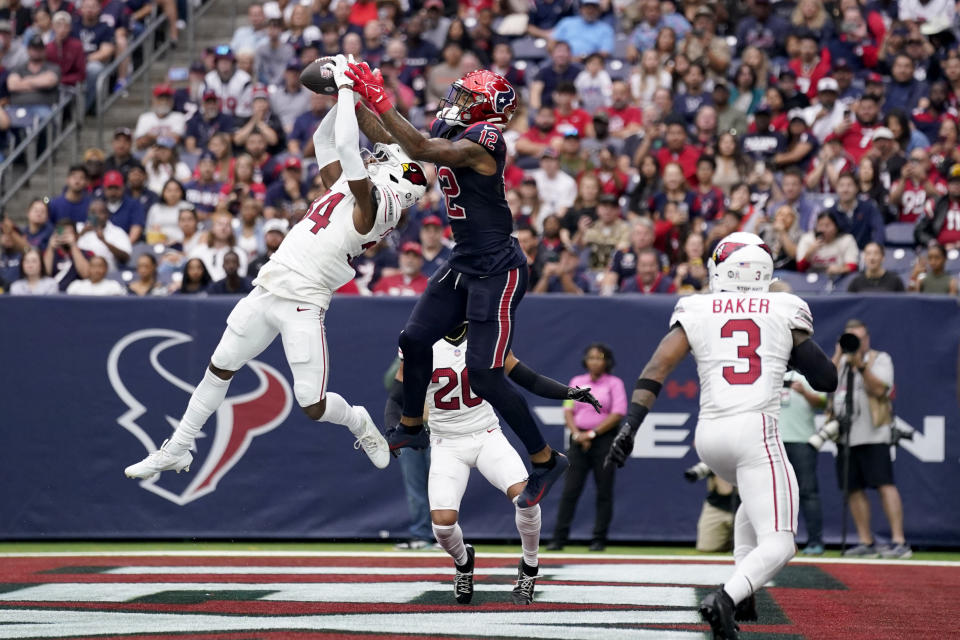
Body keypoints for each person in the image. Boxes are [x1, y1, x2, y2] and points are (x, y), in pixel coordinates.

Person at [124, 58, 429, 481]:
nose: (376, 159)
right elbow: (327, 139)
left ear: (397, 185)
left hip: (304, 300)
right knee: (220, 365)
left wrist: (343, 89)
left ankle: (358, 420)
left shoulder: (374, 208)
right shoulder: (355, 185)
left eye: (385, 163)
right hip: (271, 284)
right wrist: (346, 93)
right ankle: (178, 446)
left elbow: (345, 148)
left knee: (312, 404)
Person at [346, 58, 578, 506]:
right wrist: (353, 103)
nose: (457, 102)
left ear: (488, 107)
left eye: (468, 97)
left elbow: (422, 147)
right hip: (466, 259)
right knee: (413, 340)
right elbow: (401, 145)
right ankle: (412, 426)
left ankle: (547, 458)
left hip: (498, 268)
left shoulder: (486, 140)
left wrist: (378, 96)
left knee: (485, 377)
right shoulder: (458, 129)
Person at [604, 232, 838, 639]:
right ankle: (726, 598)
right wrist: (786, 354)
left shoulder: (697, 307)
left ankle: (744, 594)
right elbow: (827, 379)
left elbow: (657, 367)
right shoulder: (783, 307)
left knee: (752, 497)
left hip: (710, 437)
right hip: (754, 431)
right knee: (782, 542)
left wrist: (631, 426)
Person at [385, 322, 601, 602]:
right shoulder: (418, 340)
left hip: (486, 434)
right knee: (442, 525)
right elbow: (397, 397)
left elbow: (528, 378)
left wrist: (567, 392)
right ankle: (464, 562)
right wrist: (393, 431)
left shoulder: (485, 336)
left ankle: (530, 567)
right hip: (445, 442)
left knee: (526, 497)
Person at [832, 319, 910, 559]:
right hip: (845, 436)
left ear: (867, 339)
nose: (855, 343)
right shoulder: (840, 363)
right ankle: (866, 540)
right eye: (849, 338)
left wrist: (861, 366)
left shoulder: (880, 359)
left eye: (858, 338)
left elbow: (880, 390)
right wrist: (838, 356)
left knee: (884, 484)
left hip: (874, 433)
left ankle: (899, 541)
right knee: (853, 488)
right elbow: (823, 386)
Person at [548, 343, 625, 552]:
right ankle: (558, 538)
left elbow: (617, 413)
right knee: (570, 490)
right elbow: (568, 410)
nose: (595, 361)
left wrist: (593, 433)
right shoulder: (576, 382)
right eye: (591, 357)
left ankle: (599, 539)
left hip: (604, 440)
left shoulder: (614, 383)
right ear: (585, 361)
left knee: (604, 491)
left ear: (607, 362)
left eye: (599, 358)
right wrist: (576, 434)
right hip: (578, 438)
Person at [779, 369, 827, 555]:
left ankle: (815, 541)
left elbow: (823, 402)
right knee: (774, 494)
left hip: (802, 441)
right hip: (772, 440)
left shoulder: (808, 373)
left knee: (808, 493)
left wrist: (804, 391)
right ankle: (773, 542)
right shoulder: (769, 370)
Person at [914, 165, 960, 248]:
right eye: (953, 181)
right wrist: (935, 245)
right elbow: (919, 231)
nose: (957, 185)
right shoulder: (935, 204)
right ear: (947, 184)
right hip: (940, 253)